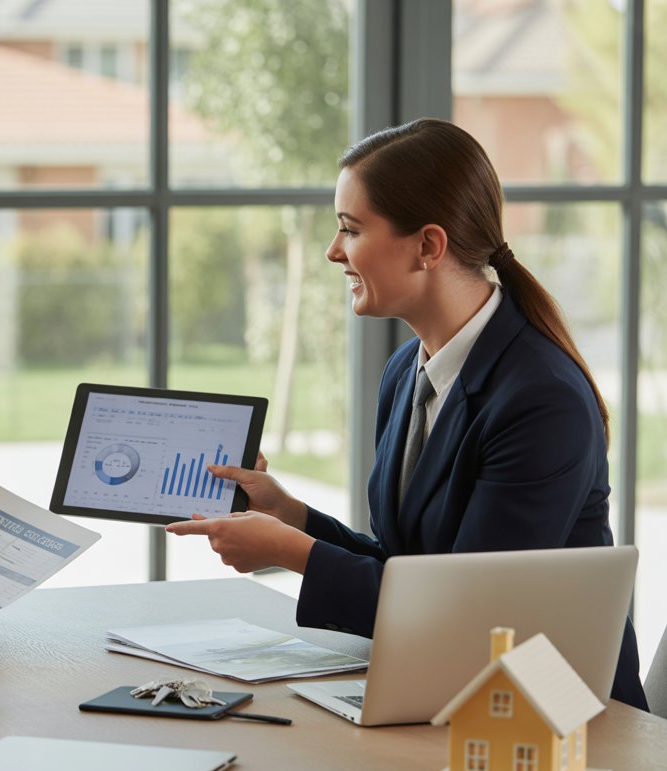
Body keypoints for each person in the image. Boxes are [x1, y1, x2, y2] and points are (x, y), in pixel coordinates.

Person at [166, 118, 647, 709]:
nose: (333, 251)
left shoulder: (540, 400)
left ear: (428, 246)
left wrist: (291, 552)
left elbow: (470, 616)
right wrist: (290, 516)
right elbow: (415, 573)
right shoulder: (406, 371)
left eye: (351, 229)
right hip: (444, 699)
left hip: (556, 724)